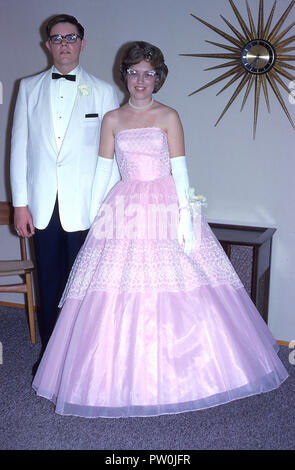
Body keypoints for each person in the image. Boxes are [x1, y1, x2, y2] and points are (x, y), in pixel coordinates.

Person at [32, 41, 288, 418]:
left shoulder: (169, 116)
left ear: (158, 78)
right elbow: (104, 174)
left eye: (148, 73)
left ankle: (187, 376)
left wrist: (186, 220)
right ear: (125, 76)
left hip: (166, 204)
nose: (141, 79)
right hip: (123, 208)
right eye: (134, 72)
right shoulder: (113, 119)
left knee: (179, 287)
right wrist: (92, 222)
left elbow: (181, 173)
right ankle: (114, 381)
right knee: (114, 292)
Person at [10, 14, 120, 347]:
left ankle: (80, 360)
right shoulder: (27, 88)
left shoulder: (103, 92)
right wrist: (19, 204)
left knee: (83, 286)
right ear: (48, 46)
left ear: (82, 43)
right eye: (57, 39)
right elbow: (18, 149)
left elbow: (112, 155)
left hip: (87, 208)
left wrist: (107, 207)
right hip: (42, 207)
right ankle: (49, 358)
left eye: (70, 38)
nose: (64, 45)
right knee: (49, 282)